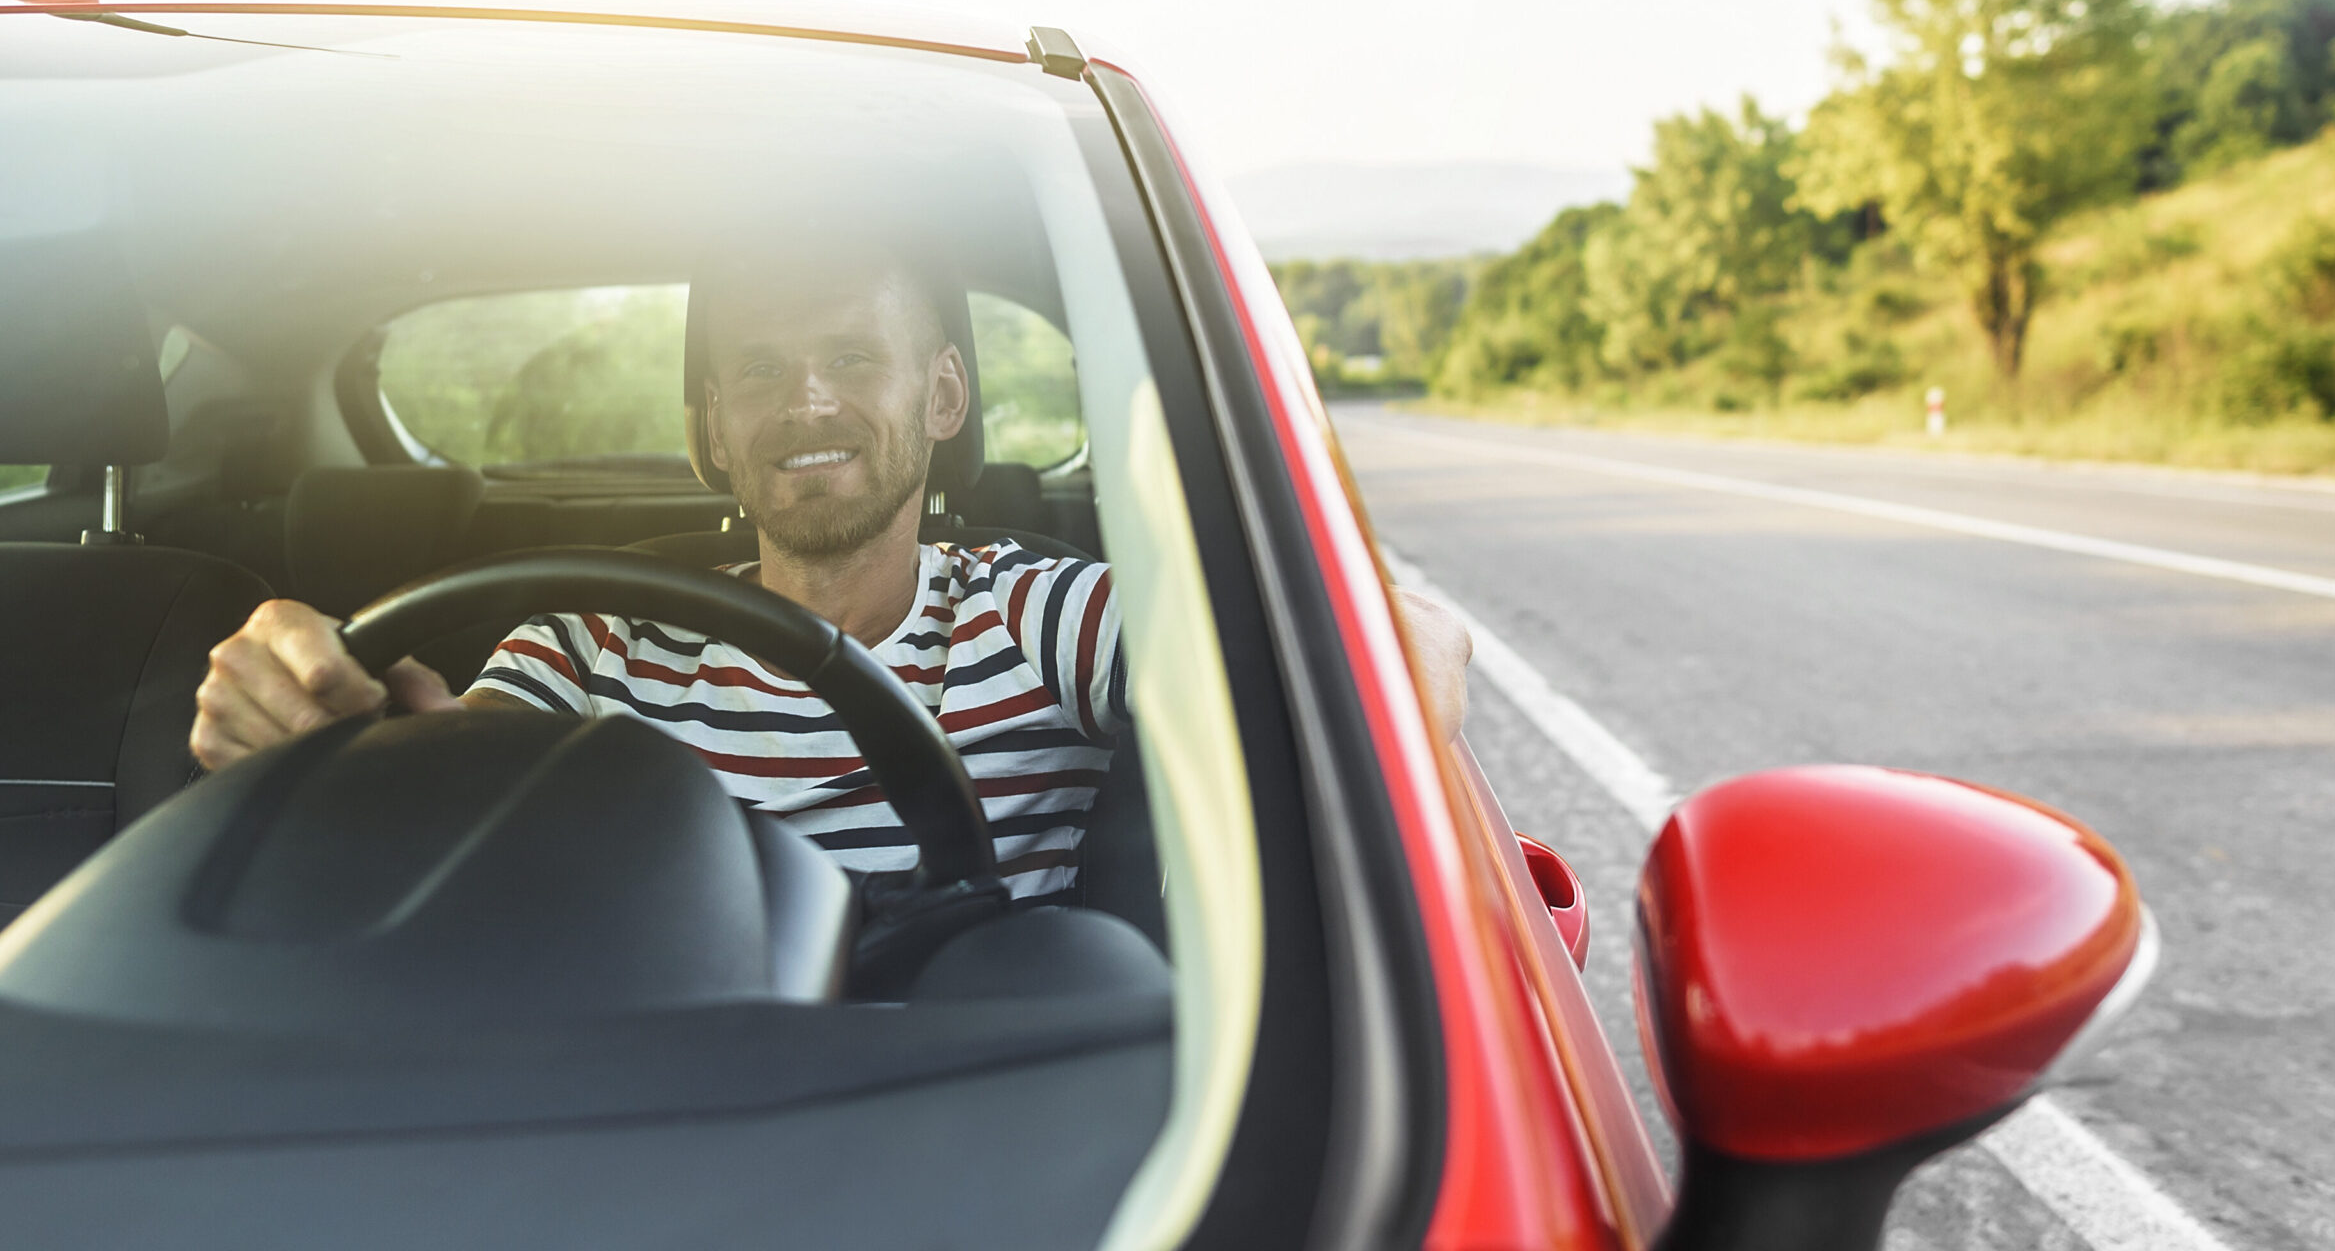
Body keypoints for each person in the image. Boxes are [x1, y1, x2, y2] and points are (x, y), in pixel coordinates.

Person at [189, 251, 1472, 904]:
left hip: (966, 1111)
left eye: (854, 357)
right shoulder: (590, 640)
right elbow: (454, 765)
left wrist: (1388, 647)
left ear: (945, 396)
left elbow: (1380, 657)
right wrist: (320, 721)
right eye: (756, 372)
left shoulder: (1039, 614)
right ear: (708, 435)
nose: (804, 398)